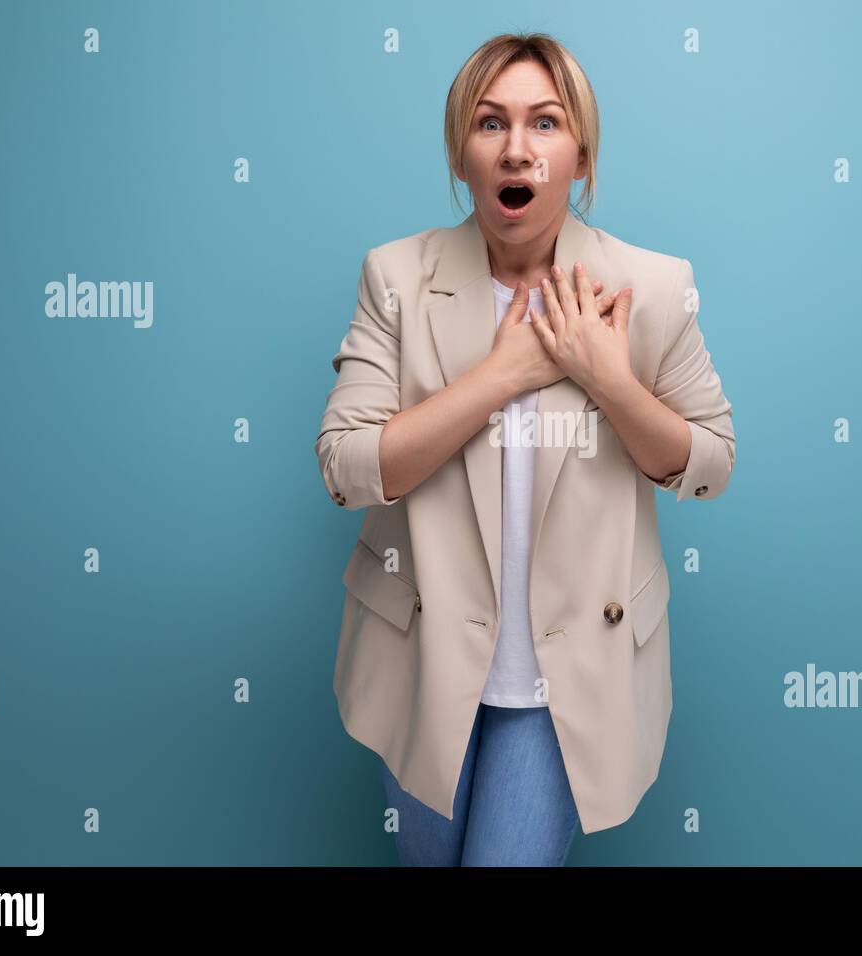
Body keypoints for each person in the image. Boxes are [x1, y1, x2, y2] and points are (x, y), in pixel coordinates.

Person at [315, 32, 736, 866]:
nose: (517, 149)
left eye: (545, 123)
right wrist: (501, 374)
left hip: (564, 683)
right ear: (461, 154)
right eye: (490, 123)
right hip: (425, 665)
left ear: (580, 157)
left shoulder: (649, 288)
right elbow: (346, 467)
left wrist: (611, 381)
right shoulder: (395, 278)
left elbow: (710, 465)